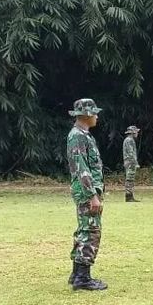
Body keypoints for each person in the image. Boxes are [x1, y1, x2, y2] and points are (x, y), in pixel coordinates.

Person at [67, 98, 107, 291]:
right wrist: (92, 195)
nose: (97, 116)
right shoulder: (78, 136)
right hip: (86, 192)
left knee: (84, 229)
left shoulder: (82, 135)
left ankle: (76, 274)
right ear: (87, 115)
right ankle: (83, 278)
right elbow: (81, 168)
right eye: (95, 113)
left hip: (86, 190)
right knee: (91, 231)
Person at [122, 125, 140, 202]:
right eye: (136, 132)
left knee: (130, 178)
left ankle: (130, 196)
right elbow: (131, 153)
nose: (137, 133)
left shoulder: (128, 140)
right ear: (133, 132)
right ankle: (129, 196)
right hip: (130, 162)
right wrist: (135, 162)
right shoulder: (129, 140)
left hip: (128, 161)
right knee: (130, 179)